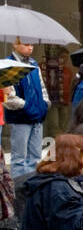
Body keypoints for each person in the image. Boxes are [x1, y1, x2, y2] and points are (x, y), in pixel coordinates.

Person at [4, 39, 49, 178]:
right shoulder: (8, 64)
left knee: (35, 157)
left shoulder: (34, 64)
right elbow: (8, 95)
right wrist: (26, 106)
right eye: (26, 44)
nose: (30, 48)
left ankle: (31, 190)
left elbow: (41, 88)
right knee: (19, 159)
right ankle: (18, 192)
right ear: (15, 44)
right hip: (20, 118)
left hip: (37, 115)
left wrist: (44, 103)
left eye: (31, 44)